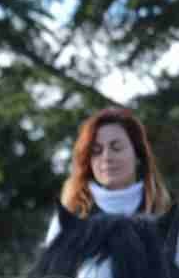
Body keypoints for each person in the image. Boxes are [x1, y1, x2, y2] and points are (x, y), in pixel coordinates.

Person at [44, 106, 176, 260]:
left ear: (138, 154)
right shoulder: (71, 217)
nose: (106, 157)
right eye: (96, 151)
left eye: (117, 147)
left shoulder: (167, 216)